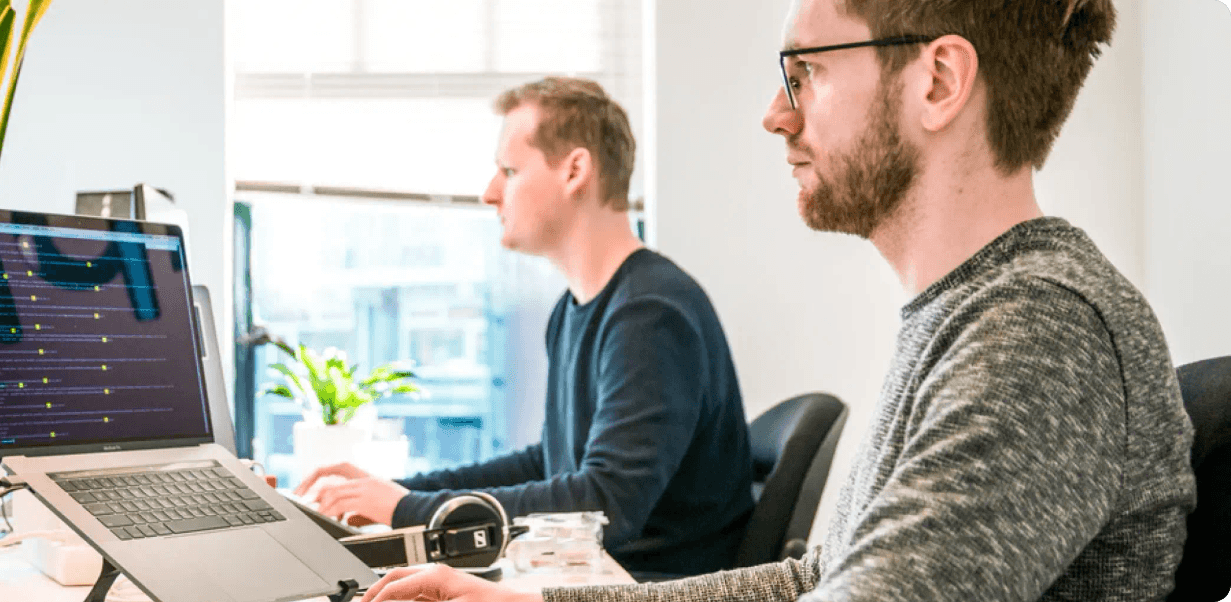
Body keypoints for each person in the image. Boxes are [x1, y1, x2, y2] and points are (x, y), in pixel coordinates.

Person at [359, 0, 1198, 600]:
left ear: (938, 80)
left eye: (805, 75)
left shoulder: (1038, 332)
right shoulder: (970, 313)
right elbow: (818, 576)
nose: (774, 115)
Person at [293, 77, 758, 579]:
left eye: (509, 170)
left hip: (650, 585)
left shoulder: (651, 314)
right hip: (596, 574)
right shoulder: (575, 310)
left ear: (575, 170)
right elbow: (550, 463)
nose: (490, 192)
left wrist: (408, 510)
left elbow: (605, 506)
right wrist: (399, 492)